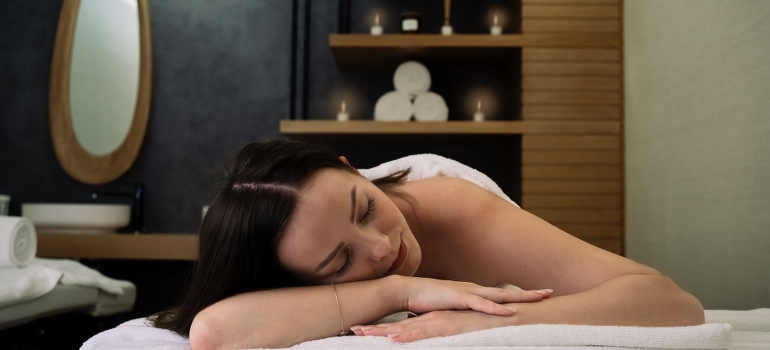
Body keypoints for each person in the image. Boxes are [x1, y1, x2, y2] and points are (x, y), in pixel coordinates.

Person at [152, 140, 704, 350]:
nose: (378, 248)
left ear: (355, 171)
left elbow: (673, 303)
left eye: (365, 208)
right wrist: (402, 288)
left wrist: (486, 320)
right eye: (339, 262)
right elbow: (213, 332)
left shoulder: (454, 210)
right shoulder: (300, 258)